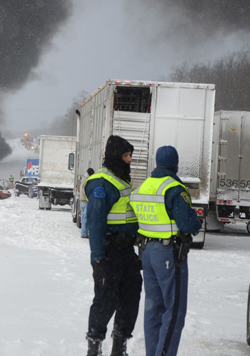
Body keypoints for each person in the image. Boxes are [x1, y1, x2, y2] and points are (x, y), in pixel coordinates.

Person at [129, 146, 201, 356]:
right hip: (168, 254)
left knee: (153, 308)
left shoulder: (145, 186)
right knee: (174, 310)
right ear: (175, 165)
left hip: (147, 253)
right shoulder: (174, 188)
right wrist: (195, 222)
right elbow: (188, 225)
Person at [85, 135, 142, 356]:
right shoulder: (101, 183)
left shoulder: (121, 180)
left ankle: (120, 347)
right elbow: (96, 224)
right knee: (105, 300)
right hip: (108, 253)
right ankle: (95, 346)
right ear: (115, 156)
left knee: (130, 296)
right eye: (126, 155)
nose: (129, 160)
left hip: (126, 253)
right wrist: (98, 259)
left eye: (130, 155)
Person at [79, 167, 95, 238]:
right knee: (86, 217)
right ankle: (84, 233)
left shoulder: (83, 178)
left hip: (83, 200)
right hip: (86, 200)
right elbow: (85, 191)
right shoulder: (87, 180)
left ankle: (83, 232)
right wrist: (89, 198)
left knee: (83, 217)